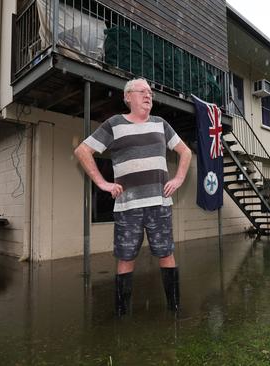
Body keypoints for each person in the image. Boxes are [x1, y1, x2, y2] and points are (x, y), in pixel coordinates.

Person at [74, 78, 192, 316]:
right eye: (142, 91)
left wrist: (178, 179)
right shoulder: (114, 124)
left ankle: (175, 308)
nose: (148, 95)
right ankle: (121, 313)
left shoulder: (161, 124)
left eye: (150, 92)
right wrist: (102, 183)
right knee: (126, 258)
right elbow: (83, 150)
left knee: (166, 254)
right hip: (128, 207)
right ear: (128, 97)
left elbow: (185, 151)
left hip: (159, 204)